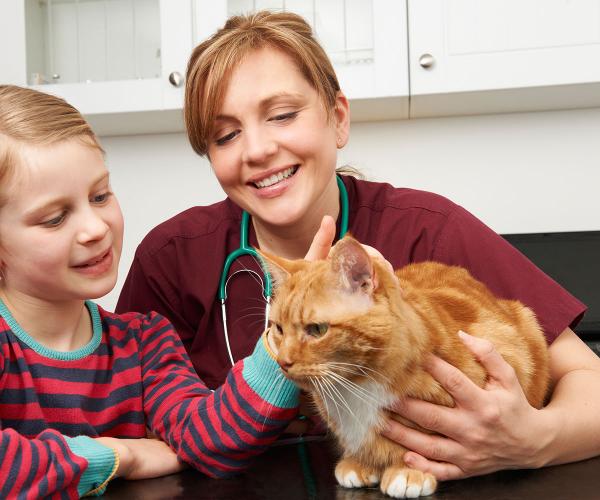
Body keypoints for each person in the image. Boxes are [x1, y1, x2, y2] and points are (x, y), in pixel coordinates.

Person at [116, 10, 600, 481]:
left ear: (338, 118)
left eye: (283, 115)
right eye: (226, 135)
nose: (257, 150)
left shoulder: (430, 229)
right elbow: (121, 420)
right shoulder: (170, 260)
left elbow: (590, 382)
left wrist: (536, 441)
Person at [0, 84, 312, 498]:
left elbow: (210, 441)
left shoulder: (144, 341)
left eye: (100, 196)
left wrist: (294, 330)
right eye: (55, 219)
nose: (96, 229)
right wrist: (116, 456)